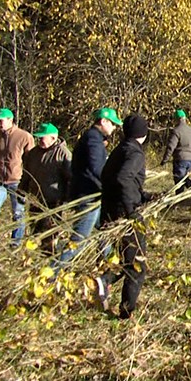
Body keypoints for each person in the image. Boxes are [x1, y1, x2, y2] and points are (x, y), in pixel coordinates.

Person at [94, 115, 154, 319]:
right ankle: (126, 312)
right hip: (124, 215)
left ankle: (105, 280)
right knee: (137, 264)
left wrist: (145, 196)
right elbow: (123, 178)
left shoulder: (119, 150)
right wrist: (131, 210)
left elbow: (116, 180)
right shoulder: (135, 154)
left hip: (110, 211)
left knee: (122, 258)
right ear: (143, 134)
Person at [56, 107, 122, 266]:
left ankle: (107, 265)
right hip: (88, 195)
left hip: (91, 193)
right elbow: (96, 168)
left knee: (105, 230)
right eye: (112, 124)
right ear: (104, 121)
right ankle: (52, 273)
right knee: (79, 240)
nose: (114, 128)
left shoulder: (92, 138)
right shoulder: (93, 139)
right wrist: (112, 182)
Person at [0, 107, 34, 243]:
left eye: (0, 121)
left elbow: (32, 162)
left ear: (10, 120)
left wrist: (29, 183)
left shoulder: (24, 137)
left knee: (18, 213)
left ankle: (16, 243)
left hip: (17, 181)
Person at [19, 123, 72, 253]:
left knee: (49, 233)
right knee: (35, 231)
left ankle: (49, 258)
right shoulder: (33, 153)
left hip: (53, 201)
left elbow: (71, 178)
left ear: (53, 138)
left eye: (43, 138)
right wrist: (21, 190)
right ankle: (36, 256)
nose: (40, 140)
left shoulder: (63, 153)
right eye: (39, 138)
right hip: (36, 199)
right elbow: (26, 174)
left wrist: (68, 198)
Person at [160, 109, 191, 193]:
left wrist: (165, 159)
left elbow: (171, 146)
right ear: (185, 119)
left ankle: (179, 199)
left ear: (176, 119)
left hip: (181, 159)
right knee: (185, 179)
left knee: (179, 181)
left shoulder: (176, 131)